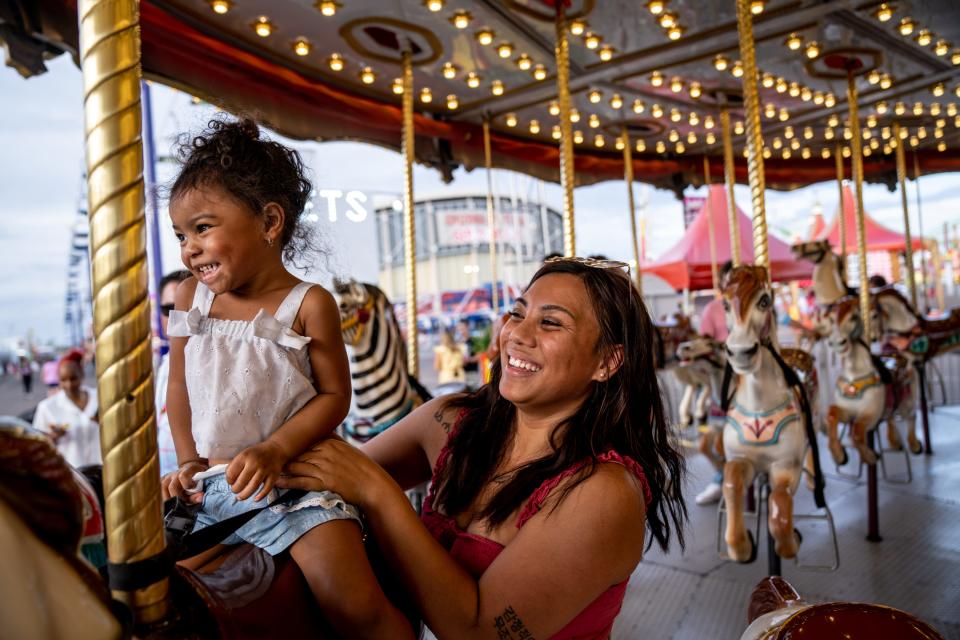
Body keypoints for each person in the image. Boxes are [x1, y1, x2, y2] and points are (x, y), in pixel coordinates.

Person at [278, 257, 688, 639]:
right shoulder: (451, 421)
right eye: (517, 313)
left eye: (551, 323)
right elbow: (326, 478)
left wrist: (380, 496)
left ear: (607, 362)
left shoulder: (601, 492)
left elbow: (480, 631)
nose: (518, 335)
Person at [161, 117, 411, 638]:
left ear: (269, 221)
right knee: (167, 600)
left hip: (293, 485)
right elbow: (181, 386)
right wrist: (187, 460)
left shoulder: (309, 304)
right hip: (212, 489)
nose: (189, 247)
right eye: (182, 234)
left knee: (353, 607)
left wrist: (275, 449)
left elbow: (335, 397)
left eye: (203, 228)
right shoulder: (190, 297)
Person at [693, 260, 732, 506]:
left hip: (747, 376)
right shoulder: (713, 309)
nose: (731, 285)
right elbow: (704, 340)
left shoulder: (753, 309)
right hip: (721, 376)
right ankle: (721, 476)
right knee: (707, 442)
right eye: (728, 279)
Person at [32, 350, 101, 468]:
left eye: (73, 378)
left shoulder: (99, 398)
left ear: (82, 374)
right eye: (63, 380)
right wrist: (53, 436)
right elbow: (37, 446)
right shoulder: (47, 407)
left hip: (102, 469)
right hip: (71, 474)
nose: (69, 385)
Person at [155, 269, 191, 476]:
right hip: (168, 479)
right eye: (168, 309)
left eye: (184, 308)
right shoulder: (164, 364)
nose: (175, 317)